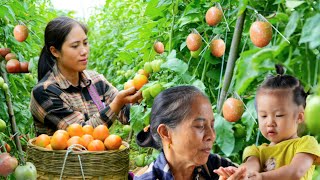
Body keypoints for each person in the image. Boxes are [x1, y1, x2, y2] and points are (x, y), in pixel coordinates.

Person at [30, 16, 141, 135]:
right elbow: (82, 133)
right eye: (75, 46)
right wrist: (117, 103)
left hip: (98, 154)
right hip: (66, 154)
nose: (84, 51)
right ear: (55, 51)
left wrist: (141, 97)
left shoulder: (95, 80)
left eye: (85, 43)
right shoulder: (44, 92)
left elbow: (125, 114)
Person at [215, 65, 320, 180]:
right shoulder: (256, 152)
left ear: (299, 117)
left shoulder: (306, 144)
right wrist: (240, 174)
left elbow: (295, 171)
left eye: (279, 115)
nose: (270, 122)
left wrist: (262, 177)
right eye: (263, 116)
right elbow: (250, 166)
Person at [134, 85, 247, 180]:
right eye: (200, 126)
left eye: (212, 125)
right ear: (165, 133)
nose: (212, 136)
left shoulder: (215, 166)